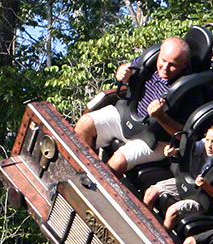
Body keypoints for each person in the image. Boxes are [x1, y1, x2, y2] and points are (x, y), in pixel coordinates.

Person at [74, 37, 198, 177]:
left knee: (117, 162)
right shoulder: (150, 61)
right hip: (127, 116)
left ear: (185, 64)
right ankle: (77, 173)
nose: (165, 68)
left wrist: (161, 117)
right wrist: (122, 72)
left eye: (172, 65)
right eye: (163, 60)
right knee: (84, 124)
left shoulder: (190, 91)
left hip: (154, 138)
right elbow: (129, 69)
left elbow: (184, 135)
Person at [142, 123, 213, 231]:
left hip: (202, 199)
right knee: (151, 193)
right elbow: (187, 151)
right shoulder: (204, 144)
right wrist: (174, 152)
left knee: (172, 212)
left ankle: (159, 239)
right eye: (207, 139)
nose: (209, 145)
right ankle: (143, 226)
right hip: (186, 183)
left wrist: (206, 186)